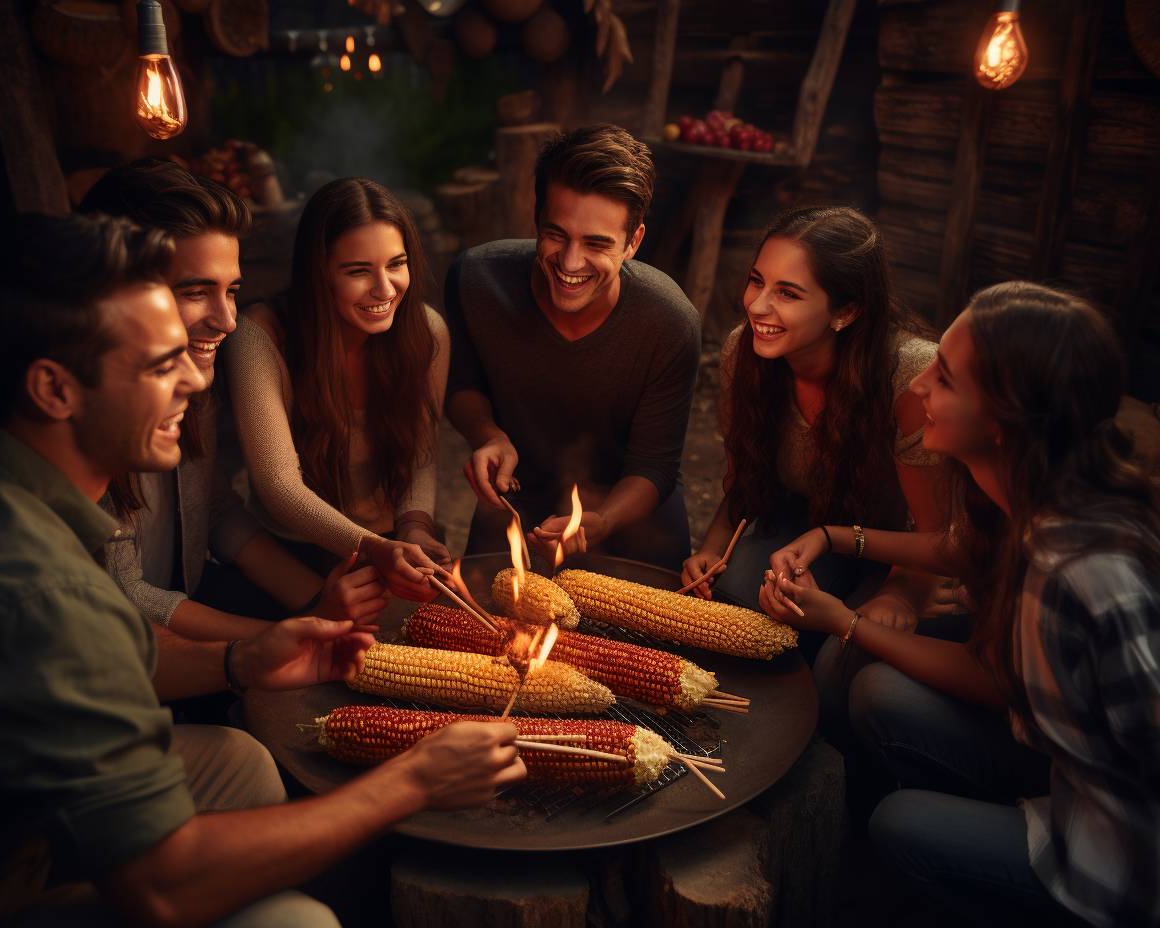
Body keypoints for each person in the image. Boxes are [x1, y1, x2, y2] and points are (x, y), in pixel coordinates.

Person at [0, 213, 526, 927]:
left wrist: (241, 659)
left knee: (239, 761)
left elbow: (88, 660)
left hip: (8, 804)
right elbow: (159, 888)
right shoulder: (41, 586)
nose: (190, 379)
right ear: (54, 390)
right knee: (299, 923)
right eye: (157, 365)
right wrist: (410, 783)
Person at [762, 282, 1158, 927]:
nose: (918, 388)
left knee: (897, 821)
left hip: (1109, 861)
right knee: (875, 693)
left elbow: (1005, 687)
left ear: (1002, 420)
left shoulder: (1078, 573)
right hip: (1064, 771)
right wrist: (834, 536)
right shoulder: (1030, 494)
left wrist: (846, 622)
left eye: (943, 378)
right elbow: (955, 550)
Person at [79, 159, 387, 641]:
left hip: (184, 608)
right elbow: (126, 597)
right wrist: (286, 637)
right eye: (197, 291)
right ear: (116, 288)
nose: (226, 320)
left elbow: (216, 509)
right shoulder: (71, 410)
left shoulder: (192, 369)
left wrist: (315, 605)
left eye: (232, 291)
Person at [681, 206, 950, 664]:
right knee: (736, 610)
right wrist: (711, 547)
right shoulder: (741, 353)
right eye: (756, 281)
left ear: (844, 312)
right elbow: (743, 481)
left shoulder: (908, 375)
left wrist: (901, 596)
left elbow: (933, 530)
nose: (758, 306)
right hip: (799, 523)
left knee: (834, 667)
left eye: (787, 293)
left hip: (895, 549)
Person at [445, 124, 701, 569]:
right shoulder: (475, 281)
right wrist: (488, 435)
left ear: (633, 243)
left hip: (633, 517)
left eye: (597, 243)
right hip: (515, 506)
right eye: (557, 234)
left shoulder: (669, 321)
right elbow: (461, 386)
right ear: (536, 219)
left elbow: (655, 465)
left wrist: (598, 520)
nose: (570, 262)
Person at [227, 178, 449, 602]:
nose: (385, 289)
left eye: (396, 264)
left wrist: (415, 527)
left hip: (395, 543)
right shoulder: (260, 337)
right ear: (320, 273)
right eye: (358, 271)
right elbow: (279, 487)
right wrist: (374, 549)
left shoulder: (427, 332)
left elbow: (422, 455)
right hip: (294, 549)